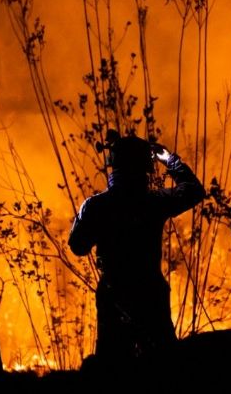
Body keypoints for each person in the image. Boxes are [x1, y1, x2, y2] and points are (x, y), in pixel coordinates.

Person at [69, 131, 205, 362]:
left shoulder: (95, 206)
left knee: (113, 364)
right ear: (145, 168)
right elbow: (194, 190)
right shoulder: (155, 202)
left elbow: (78, 246)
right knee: (162, 361)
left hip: (114, 291)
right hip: (149, 289)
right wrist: (169, 160)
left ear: (113, 165)